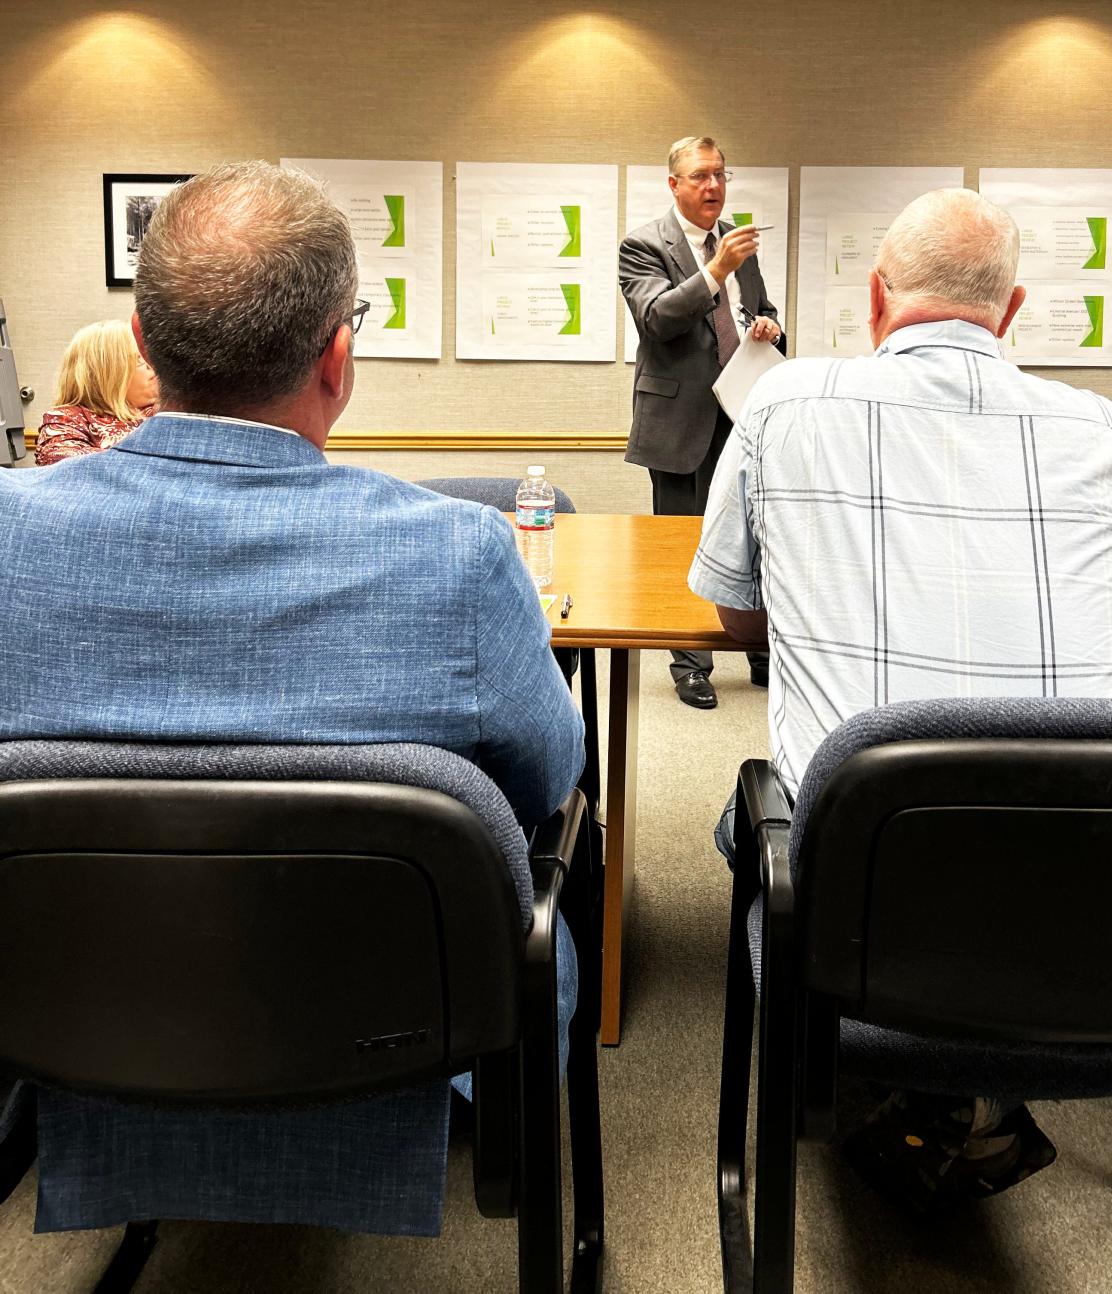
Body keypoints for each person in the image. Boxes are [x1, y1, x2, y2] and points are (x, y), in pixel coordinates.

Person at [0, 160, 584, 1238]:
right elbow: (551, 775)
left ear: (141, 346)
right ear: (339, 356)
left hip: (72, 999)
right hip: (382, 1018)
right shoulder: (457, 555)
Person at [690, 187, 1112, 1213]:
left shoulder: (786, 402)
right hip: (1105, 920)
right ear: (1014, 309)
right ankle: (966, 1089)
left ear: (873, 300)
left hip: (868, 908)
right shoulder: (1104, 429)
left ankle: (912, 1082)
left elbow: (728, 610)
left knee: (753, 817)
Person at [620, 135, 781, 709]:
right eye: (700, 176)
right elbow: (658, 319)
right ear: (674, 184)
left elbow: (761, 310)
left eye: (720, 174)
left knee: (755, 536)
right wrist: (716, 269)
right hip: (679, 419)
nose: (713, 186)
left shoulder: (738, 243)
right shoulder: (644, 245)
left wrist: (768, 326)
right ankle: (690, 663)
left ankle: (757, 648)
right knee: (681, 544)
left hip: (744, 412)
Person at [35, 319, 158, 464]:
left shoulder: (166, 410)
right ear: (108, 373)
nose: (153, 366)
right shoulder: (67, 420)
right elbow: (65, 467)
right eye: (139, 359)